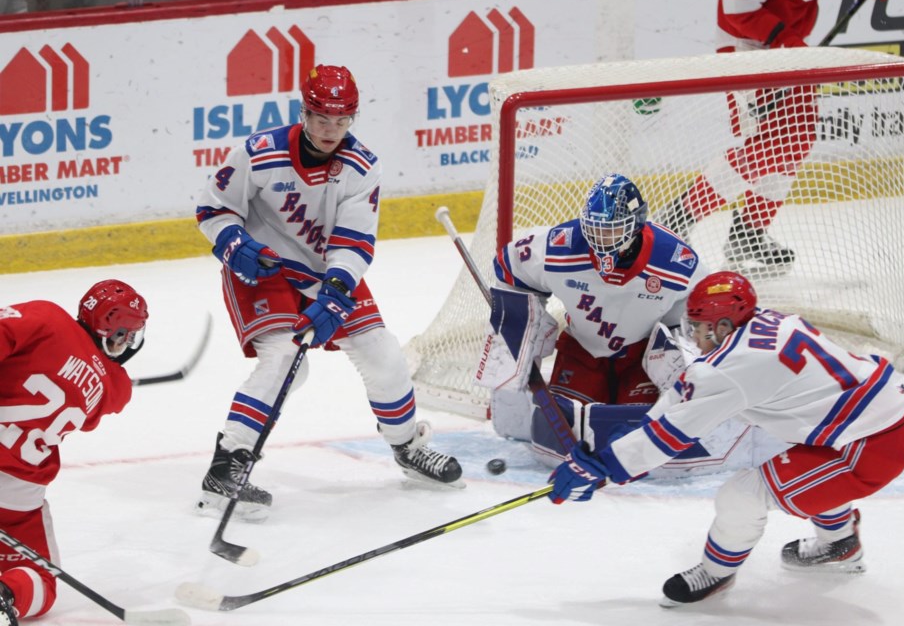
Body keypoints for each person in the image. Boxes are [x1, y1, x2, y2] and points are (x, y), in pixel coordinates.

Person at [548, 270, 904, 607]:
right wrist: (621, 442)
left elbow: (672, 435)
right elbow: (684, 396)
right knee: (800, 463)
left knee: (742, 496)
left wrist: (605, 466)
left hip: (871, 445)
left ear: (724, 325)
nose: (693, 334)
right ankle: (838, 543)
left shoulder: (734, 368)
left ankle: (716, 572)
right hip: (864, 423)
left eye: (699, 326)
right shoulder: (765, 322)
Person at [194, 63, 462, 521]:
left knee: (383, 354)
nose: (330, 130)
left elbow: (355, 243)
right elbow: (214, 208)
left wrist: (335, 294)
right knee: (284, 364)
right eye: (321, 119)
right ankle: (227, 467)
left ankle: (407, 447)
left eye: (341, 121)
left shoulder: (361, 168)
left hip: (324, 271)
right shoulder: (260, 153)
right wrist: (234, 242)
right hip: (265, 269)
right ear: (304, 112)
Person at [656, 0, 896, 274]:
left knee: (798, 141)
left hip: (788, 45)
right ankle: (678, 218)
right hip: (748, 46)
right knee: (769, 145)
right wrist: (787, 41)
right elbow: (738, 8)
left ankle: (749, 234)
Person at [478, 173, 710, 461]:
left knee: (638, 439)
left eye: (611, 230)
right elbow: (508, 266)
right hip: (581, 352)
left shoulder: (675, 259)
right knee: (564, 438)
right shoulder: (559, 247)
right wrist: (519, 323)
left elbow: (701, 304)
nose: (600, 239)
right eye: (594, 229)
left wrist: (683, 347)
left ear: (636, 224)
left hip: (642, 361)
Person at [0, 280, 149, 624]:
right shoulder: (114, 387)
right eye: (127, 334)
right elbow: (101, 380)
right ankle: (5, 596)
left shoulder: (47, 317)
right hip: (16, 497)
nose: (127, 343)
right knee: (41, 580)